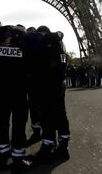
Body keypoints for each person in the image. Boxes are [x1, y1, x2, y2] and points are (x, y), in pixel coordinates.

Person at [0, 25, 32, 170]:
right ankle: (17, 157)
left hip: (0, 91)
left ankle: (2, 155)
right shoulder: (25, 42)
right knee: (19, 124)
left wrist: (2, 32)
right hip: (19, 91)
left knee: (2, 122)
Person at [33, 25, 71, 163]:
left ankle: (48, 146)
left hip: (48, 86)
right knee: (61, 115)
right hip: (60, 84)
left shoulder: (46, 44)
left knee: (46, 115)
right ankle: (63, 146)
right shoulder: (61, 45)